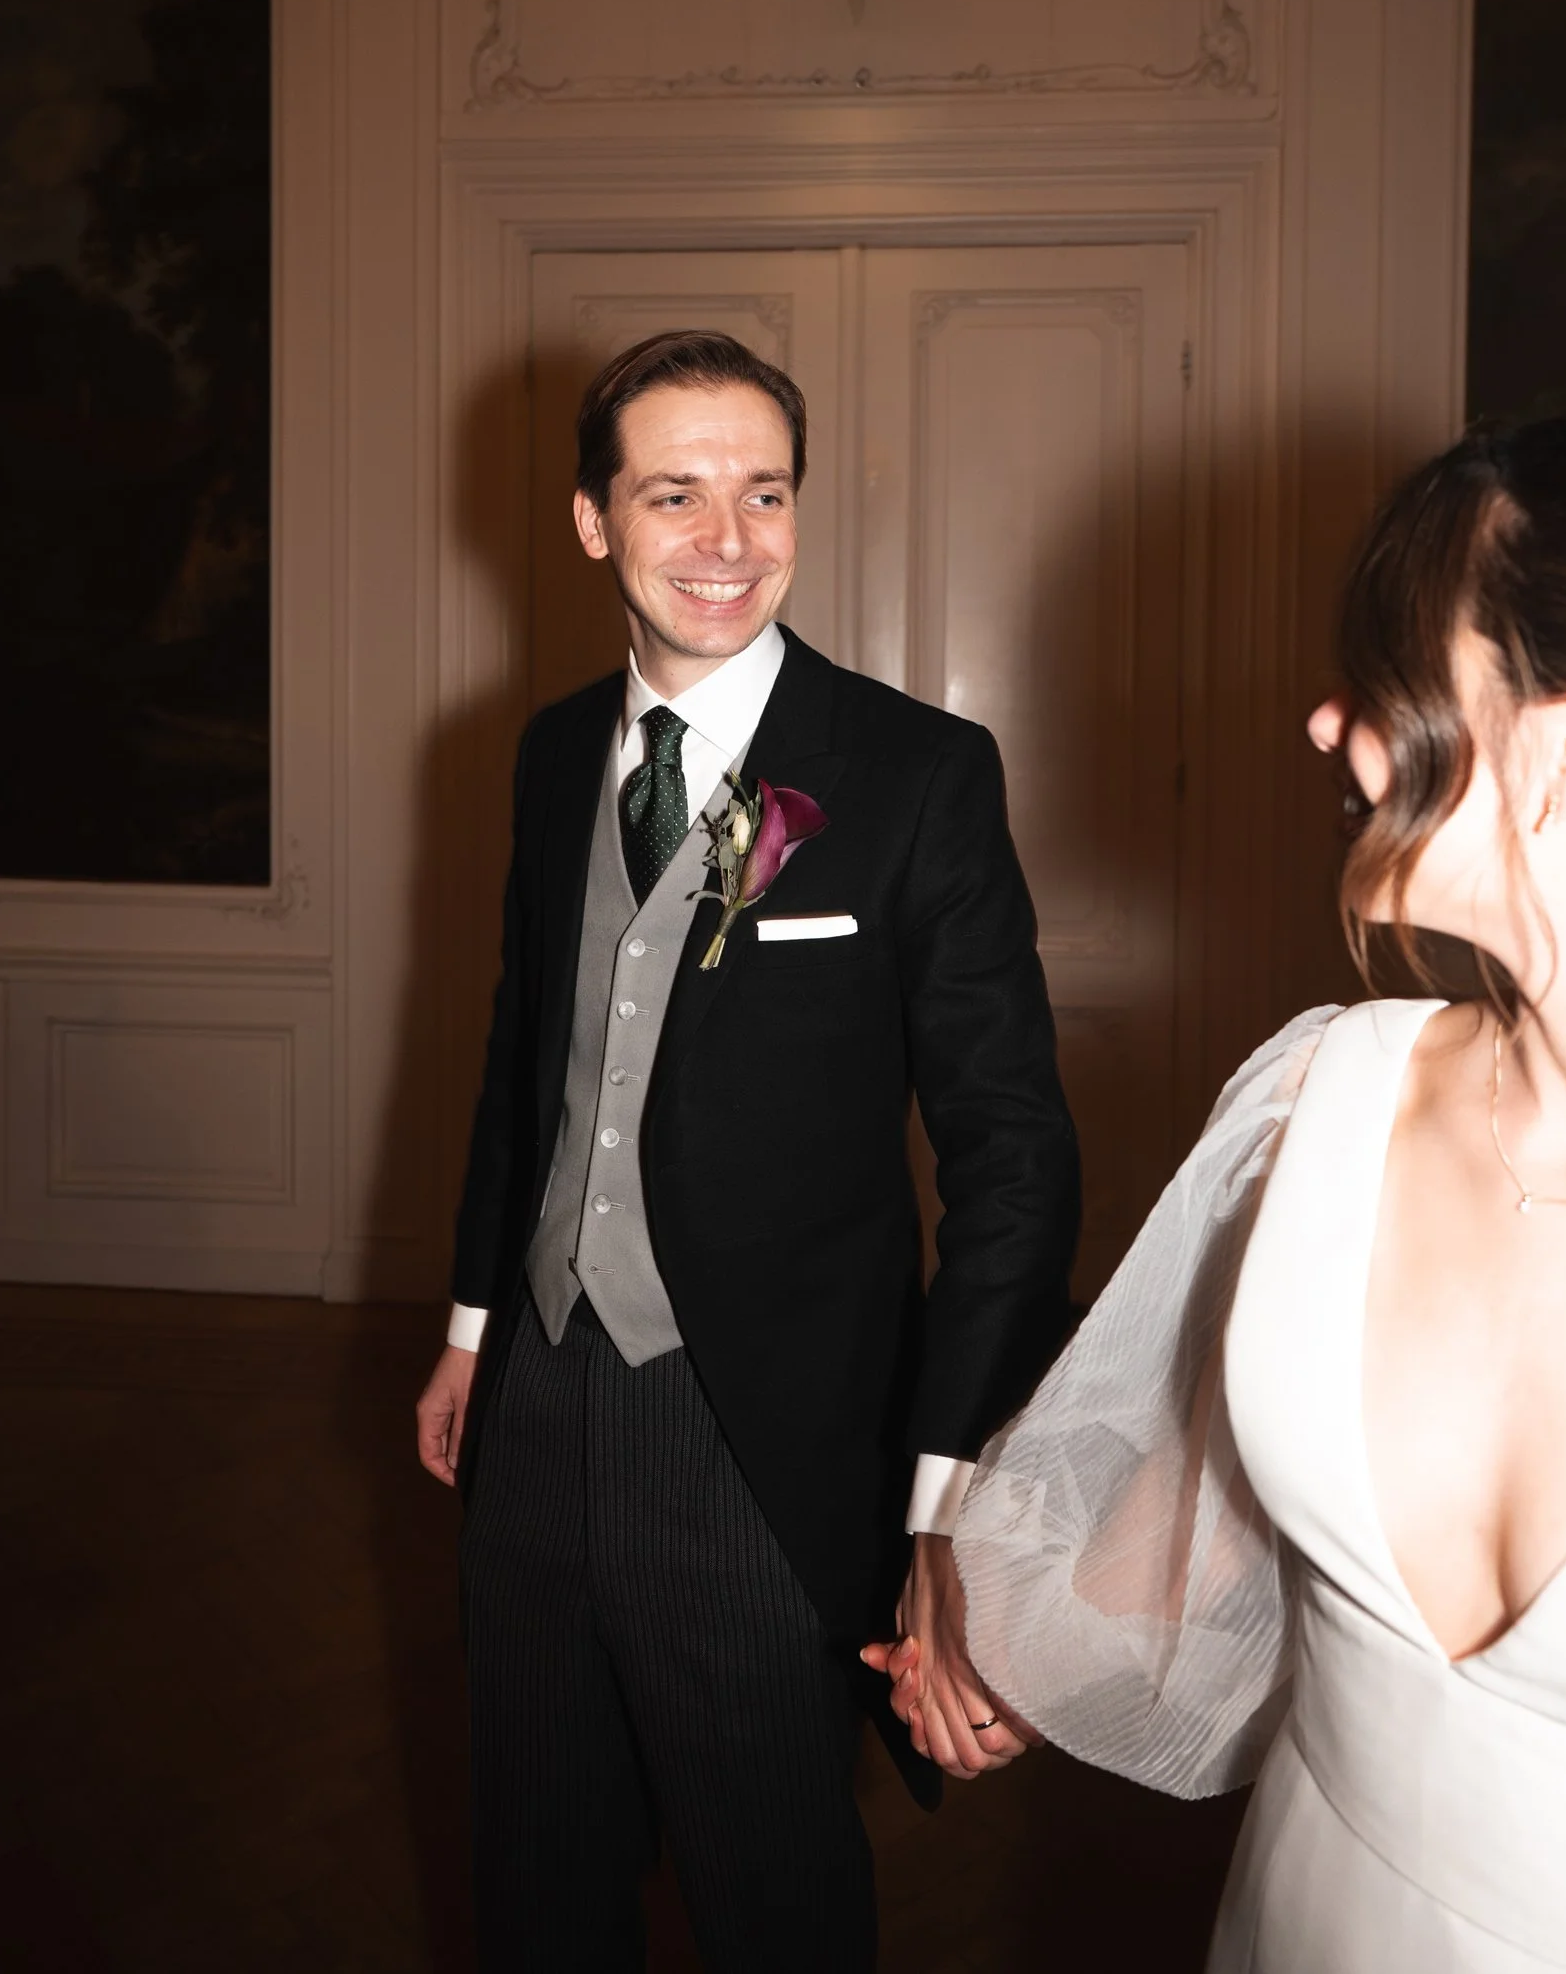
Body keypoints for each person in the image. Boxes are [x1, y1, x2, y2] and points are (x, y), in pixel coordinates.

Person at [926, 392, 1566, 1970]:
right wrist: (984, 1646)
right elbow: (1207, 1510)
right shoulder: (1322, 1099)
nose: (1330, 725)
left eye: (1389, 680)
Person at [414, 329, 1080, 1972]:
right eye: (676, 493)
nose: (728, 540)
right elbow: (528, 1058)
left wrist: (944, 1501)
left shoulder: (919, 774)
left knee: (767, 1885)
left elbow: (1014, 1160)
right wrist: (470, 1327)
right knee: (538, 1861)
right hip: (540, 1403)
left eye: (763, 493)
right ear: (592, 522)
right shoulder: (552, 750)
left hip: (765, 1429)